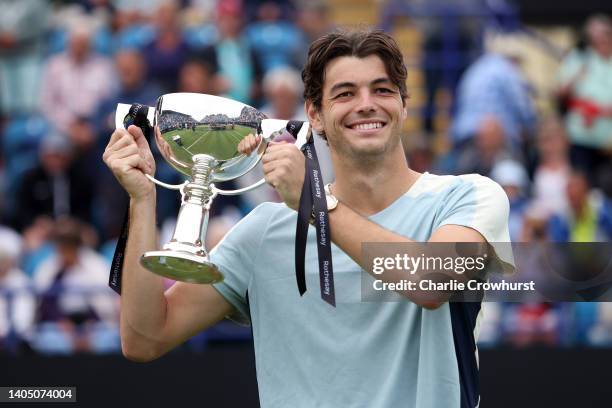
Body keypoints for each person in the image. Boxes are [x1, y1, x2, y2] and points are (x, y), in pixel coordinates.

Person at [103, 29, 512, 407]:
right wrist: (142, 200)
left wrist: (314, 206)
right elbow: (144, 338)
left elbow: (432, 282)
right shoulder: (263, 232)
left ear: (404, 104)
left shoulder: (468, 196)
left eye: (382, 90)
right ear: (314, 115)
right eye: (345, 93)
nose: (366, 103)